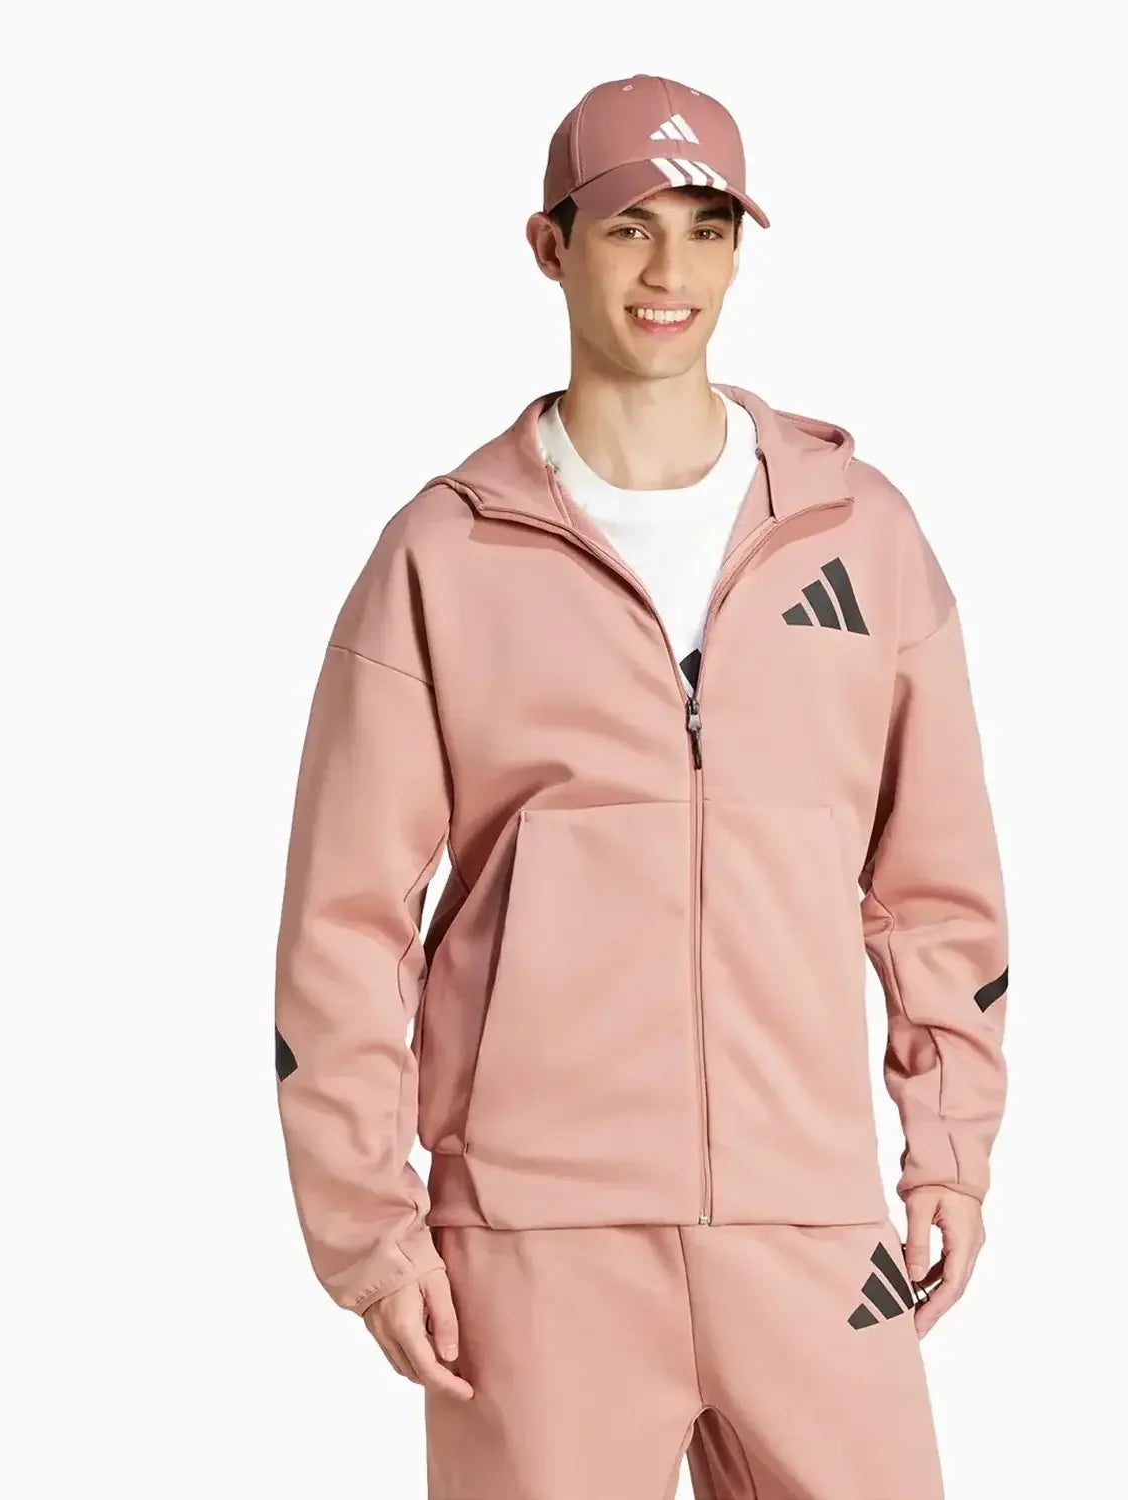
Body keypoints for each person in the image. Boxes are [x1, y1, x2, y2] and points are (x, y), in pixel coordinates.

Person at [273, 72, 1009, 1500]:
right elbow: (345, 923)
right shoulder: (445, 553)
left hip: (812, 1226)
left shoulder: (857, 534)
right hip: (531, 1245)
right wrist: (370, 1230)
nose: (671, 272)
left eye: (707, 229)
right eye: (628, 228)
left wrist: (948, 1155)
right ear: (550, 247)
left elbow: (937, 891)